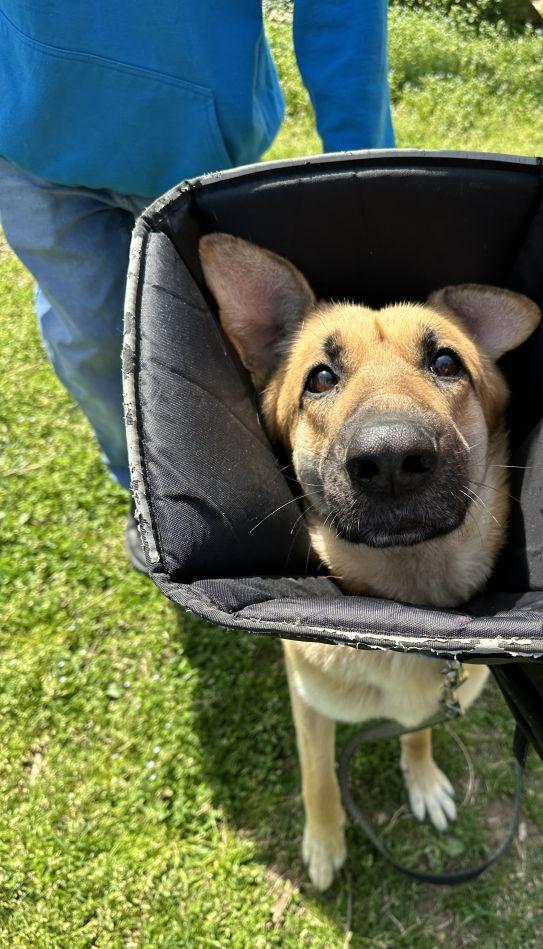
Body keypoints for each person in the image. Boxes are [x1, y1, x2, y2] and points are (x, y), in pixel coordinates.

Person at [0, 1, 395, 571]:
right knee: (88, 341)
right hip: (26, 135)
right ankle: (148, 486)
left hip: (190, 140)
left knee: (222, 347)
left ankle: (239, 483)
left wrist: (364, 166)